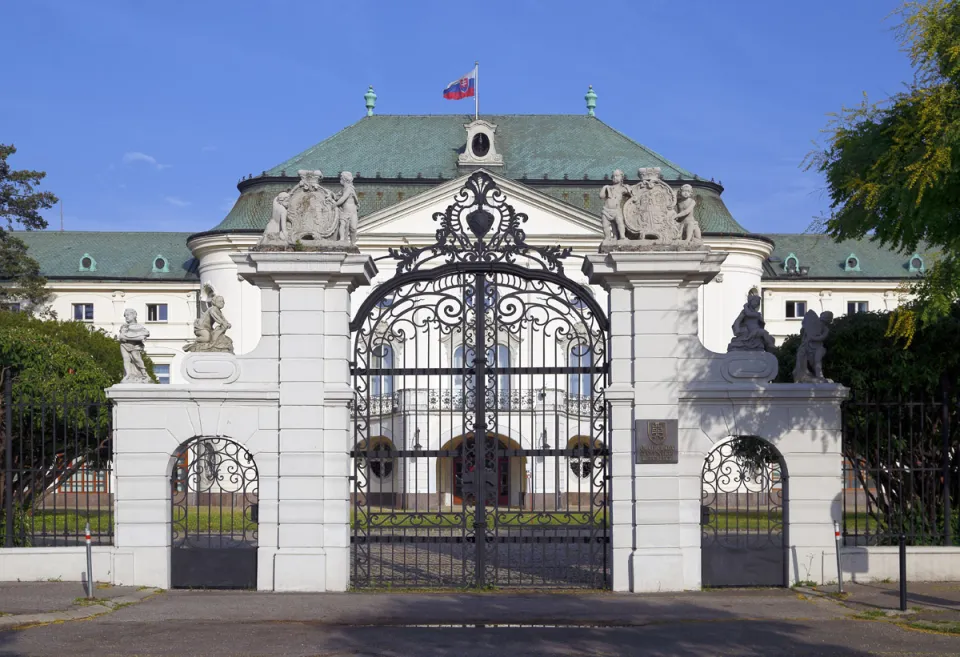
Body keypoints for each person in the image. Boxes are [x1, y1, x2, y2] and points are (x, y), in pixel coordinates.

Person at [119, 309, 152, 382]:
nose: (126, 317)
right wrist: (136, 337)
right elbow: (121, 337)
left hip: (135, 346)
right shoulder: (124, 326)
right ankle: (128, 374)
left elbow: (145, 334)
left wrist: (130, 337)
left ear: (134, 315)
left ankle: (144, 373)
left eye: (128, 315)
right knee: (126, 359)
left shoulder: (139, 326)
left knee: (137, 358)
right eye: (125, 316)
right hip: (124, 345)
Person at [599, 169, 631, 241]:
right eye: (613, 176)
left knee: (620, 223)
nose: (615, 177)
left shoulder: (623, 188)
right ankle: (608, 237)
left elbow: (631, 194)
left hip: (616, 210)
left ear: (621, 177)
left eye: (617, 176)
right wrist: (604, 188)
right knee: (605, 225)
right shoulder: (608, 187)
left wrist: (628, 188)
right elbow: (601, 196)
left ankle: (622, 236)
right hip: (606, 210)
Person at [335, 171, 359, 244]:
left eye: (341, 178)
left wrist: (335, 205)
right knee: (343, 226)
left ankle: (353, 242)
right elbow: (337, 196)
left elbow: (343, 199)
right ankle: (342, 239)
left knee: (353, 228)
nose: (340, 180)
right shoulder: (343, 190)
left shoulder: (349, 189)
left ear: (344, 179)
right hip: (345, 211)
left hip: (353, 212)